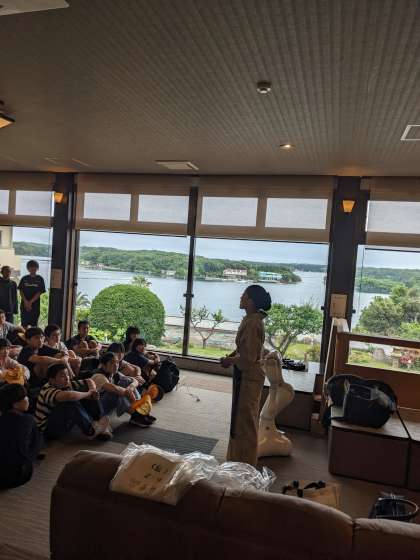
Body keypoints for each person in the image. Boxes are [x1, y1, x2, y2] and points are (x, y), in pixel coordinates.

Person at [221, 285, 271, 467]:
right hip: (248, 376)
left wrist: (230, 360)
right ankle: (236, 461)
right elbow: (244, 349)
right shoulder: (252, 319)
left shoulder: (252, 323)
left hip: (249, 378)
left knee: (245, 423)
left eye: (244, 295)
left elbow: (249, 358)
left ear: (251, 301)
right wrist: (232, 356)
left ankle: (244, 466)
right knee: (241, 420)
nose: (240, 298)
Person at [35, 363, 110, 440]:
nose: (67, 378)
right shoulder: (47, 390)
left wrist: (92, 391)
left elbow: (89, 381)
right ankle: (91, 431)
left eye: (67, 374)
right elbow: (70, 396)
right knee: (70, 401)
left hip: (62, 423)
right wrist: (88, 394)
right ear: (52, 380)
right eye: (62, 376)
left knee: (87, 391)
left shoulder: (65, 384)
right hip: (48, 430)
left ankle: (99, 421)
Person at [91, 352, 155, 428]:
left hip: (107, 403)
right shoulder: (98, 376)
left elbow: (134, 380)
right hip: (97, 409)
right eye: (112, 363)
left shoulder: (113, 373)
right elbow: (115, 389)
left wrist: (131, 387)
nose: (116, 365)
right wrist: (129, 392)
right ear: (103, 365)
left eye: (117, 362)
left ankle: (140, 411)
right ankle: (136, 415)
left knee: (126, 381)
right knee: (116, 392)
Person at [0, 383, 42, 489]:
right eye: (24, 397)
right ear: (15, 404)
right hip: (20, 475)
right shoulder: (28, 420)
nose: (27, 399)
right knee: (38, 438)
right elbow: (36, 443)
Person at [18, 260, 46, 328]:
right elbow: (21, 291)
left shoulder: (40, 279)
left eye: (35, 267)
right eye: (31, 267)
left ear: (37, 268)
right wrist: (26, 301)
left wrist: (30, 302)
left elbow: (39, 292)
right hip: (24, 305)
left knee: (34, 325)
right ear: (28, 268)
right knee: (24, 325)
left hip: (35, 306)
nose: (33, 268)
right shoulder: (24, 278)